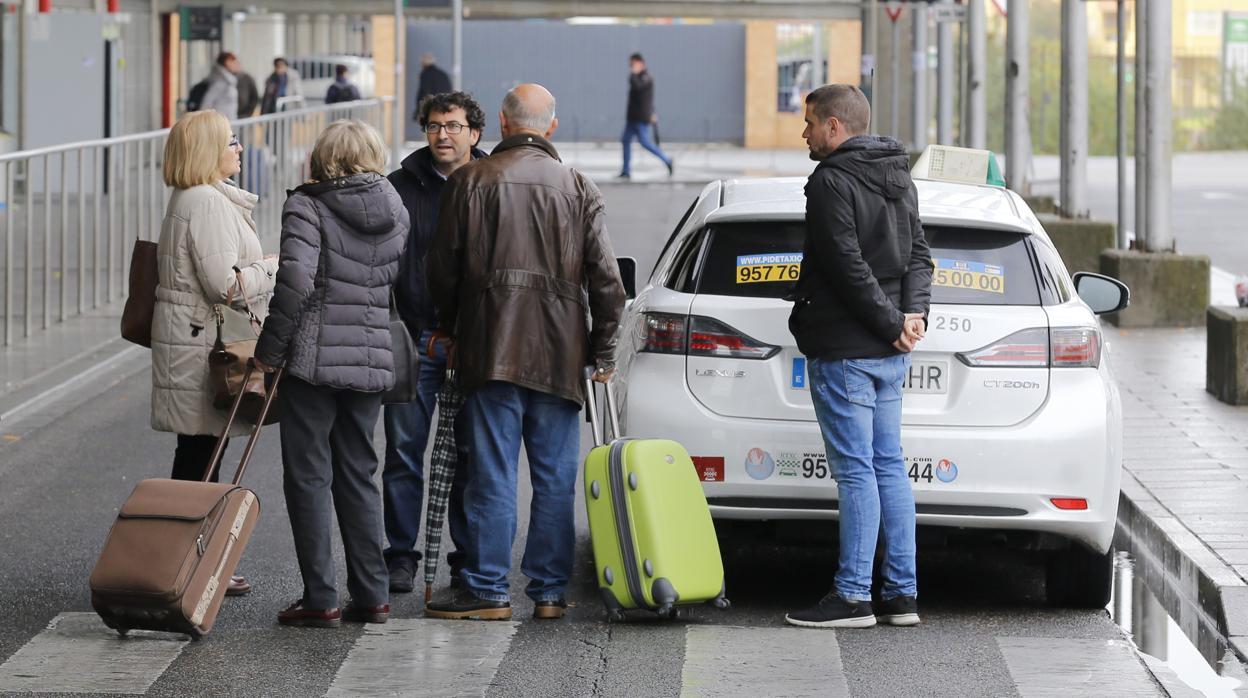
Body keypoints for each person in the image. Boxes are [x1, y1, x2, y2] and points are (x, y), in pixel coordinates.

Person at [425, 84, 626, 621]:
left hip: (489, 348)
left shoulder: (470, 181)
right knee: (555, 477)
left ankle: (488, 589)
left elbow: (441, 270)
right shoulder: (577, 186)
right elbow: (608, 283)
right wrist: (602, 352)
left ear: (503, 125)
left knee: (492, 472)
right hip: (561, 354)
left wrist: (449, 326)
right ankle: (550, 592)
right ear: (551, 128)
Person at [783, 84, 932, 630]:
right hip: (890, 351)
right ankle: (901, 595)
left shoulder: (831, 181)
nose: (805, 133)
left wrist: (895, 323)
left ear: (835, 127)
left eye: (810, 122)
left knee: (856, 474)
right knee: (888, 466)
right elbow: (920, 255)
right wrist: (910, 320)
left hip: (847, 349)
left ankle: (851, 595)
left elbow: (845, 265)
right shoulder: (898, 174)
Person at [253, 120, 410, 628]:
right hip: (369, 357)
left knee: (307, 478)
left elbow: (294, 282)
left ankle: (320, 597)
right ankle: (373, 595)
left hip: (313, 364)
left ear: (324, 158)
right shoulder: (395, 206)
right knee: (360, 475)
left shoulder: (307, 205)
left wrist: (269, 353)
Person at [151, 110, 277, 598]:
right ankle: (186, 560)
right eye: (231, 141)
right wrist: (271, 267)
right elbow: (226, 283)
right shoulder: (205, 202)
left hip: (195, 341)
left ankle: (187, 556)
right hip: (202, 346)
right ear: (208, 151)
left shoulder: (201, 198)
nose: (240, 148)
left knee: (201, 452)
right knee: (201, 456)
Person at [382, 91, 488, 594]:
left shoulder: (494, 183)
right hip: (413, 339)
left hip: (474, 345)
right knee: (403, 452)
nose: (442, 134)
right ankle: (400, 556)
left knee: (468, 455)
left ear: (474, 133)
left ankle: (466, 559)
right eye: (432, 126)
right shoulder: (398, 188)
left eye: (452, 125)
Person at [618, 53, 673, 179]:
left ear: (640, 63)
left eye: (633, 64)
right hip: (632, 118)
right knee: (625, 140)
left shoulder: (646, 78)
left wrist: (634, 74)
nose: (631, 67)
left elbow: (638, 88)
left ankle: (667, 160)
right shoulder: (637, 77)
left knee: (645, 143)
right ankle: (626, 171)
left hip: (641, 119)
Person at [200, 52, 241, 118]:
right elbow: (205, 105)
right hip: (219, 124)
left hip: (226, 123)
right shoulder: (219, 83)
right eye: (234, 62)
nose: (237, 65)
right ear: (227, 62)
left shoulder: (229, 81)